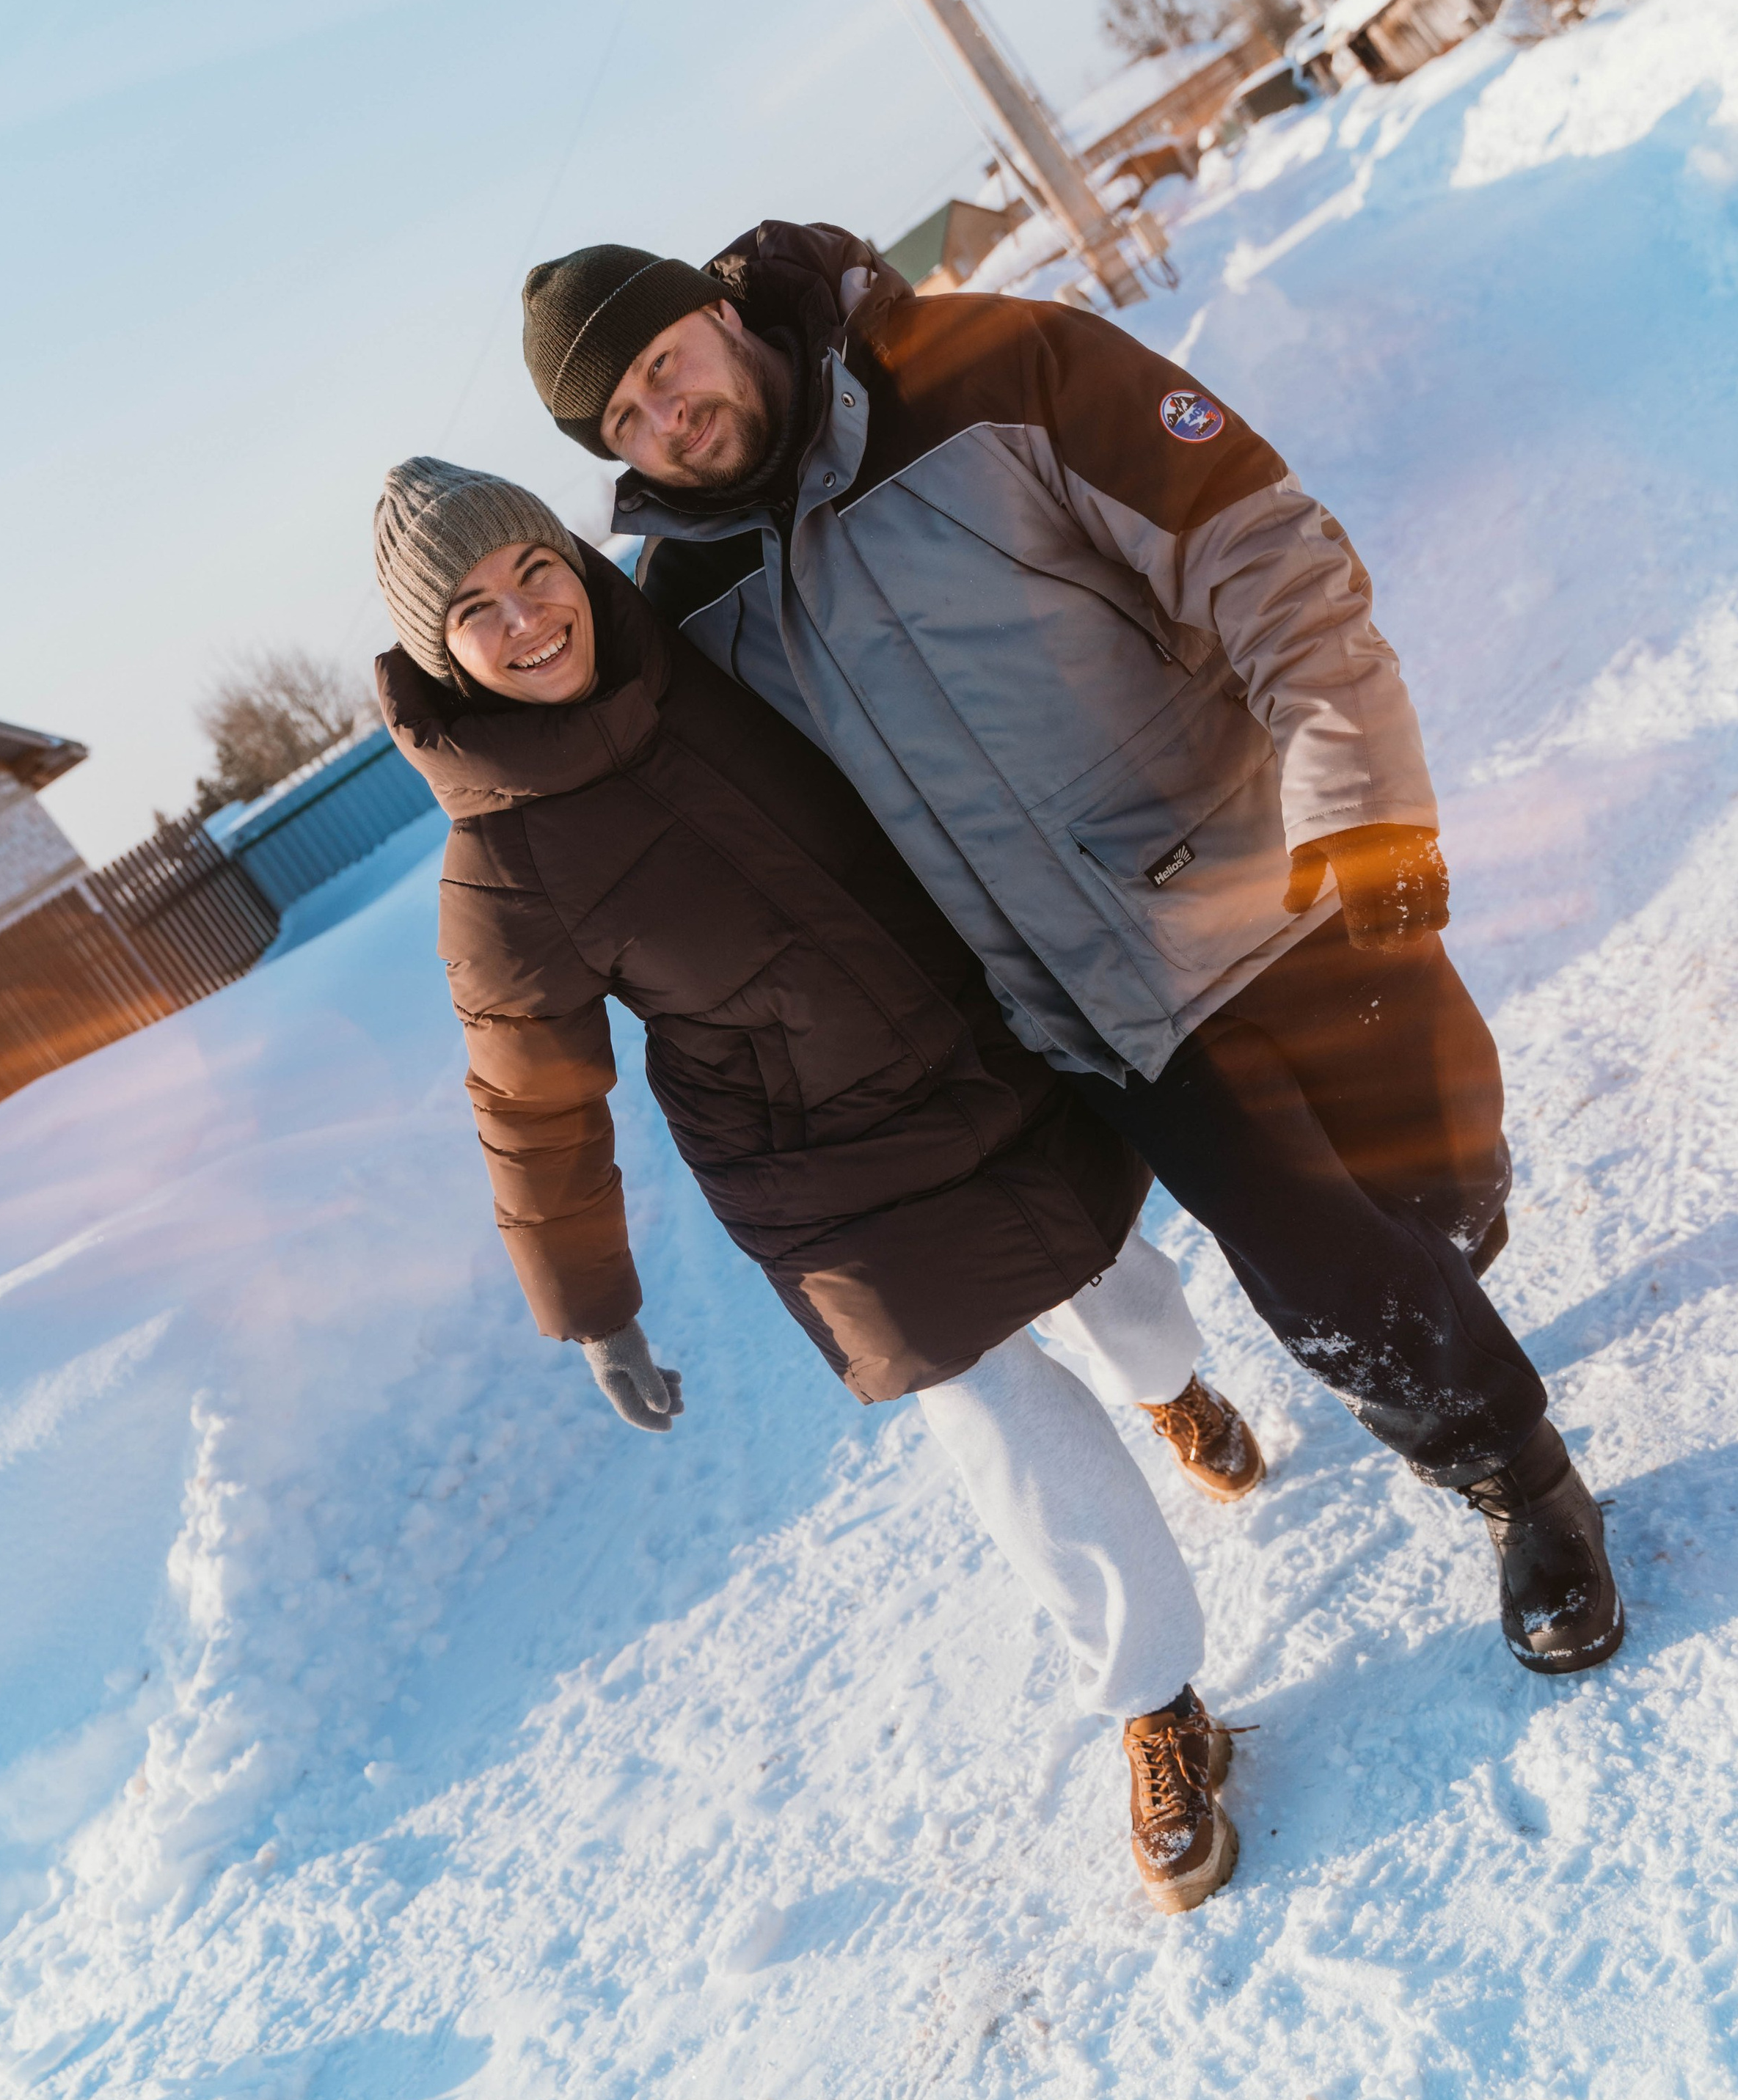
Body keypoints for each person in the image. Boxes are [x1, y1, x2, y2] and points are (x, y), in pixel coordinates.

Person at [516, 222, 1624, 1678]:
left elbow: (1252, 537)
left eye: (666, 367)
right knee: (1323, 1276)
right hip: (1109, 1006)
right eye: (625, 421)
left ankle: (1446, 1258)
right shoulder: (688, 609)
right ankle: (1513, 1483)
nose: (669, 419)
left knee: (1443, 1172)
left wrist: (1355, 799)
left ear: (719, 312)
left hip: (1281, 874)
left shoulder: (982, 368)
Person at [373, 456, 1268, 1912]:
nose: (525, 617)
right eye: (472, 610)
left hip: (973, 1032)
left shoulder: (706, 649)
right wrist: (591, 1306)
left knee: (1116, 1282)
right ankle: (1154, 1702)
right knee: (985, 1408)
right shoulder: (497, 875)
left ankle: (1172, 1391)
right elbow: (529, 1106)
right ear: (437, 656)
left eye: (532, 567)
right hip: (815, 1168)